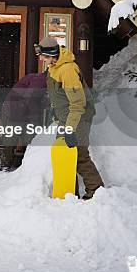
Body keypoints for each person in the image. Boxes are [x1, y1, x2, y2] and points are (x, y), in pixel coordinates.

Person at [35, 36, 104, 200]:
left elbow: (78, 103)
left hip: (78, 117)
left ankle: (96, 193)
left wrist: (70, 129)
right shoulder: (54, 66)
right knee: (65, 155)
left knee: (79, 155)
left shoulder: (67, 70)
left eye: (43, 56)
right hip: (66, 117)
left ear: (52, 54)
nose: (41, 59)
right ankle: (69, 193)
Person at [0, 72, 48, 170]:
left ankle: (24, 166)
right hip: (15, 110)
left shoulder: (41, 80)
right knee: (12, 139)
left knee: (28, 139)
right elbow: (30, 99)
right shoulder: (40, 80)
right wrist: (36, 121)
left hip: (22, 111)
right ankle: (6, 166)